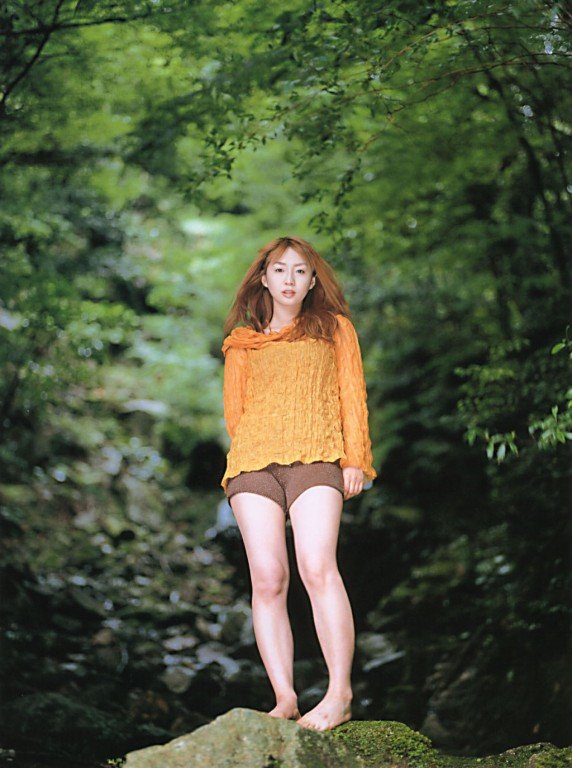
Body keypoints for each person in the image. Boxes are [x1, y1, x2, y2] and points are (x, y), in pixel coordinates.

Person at [220, 235, 377, 731]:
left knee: (317, 567)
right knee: (268, 579)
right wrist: (260, 446)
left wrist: (356, 459)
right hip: (252, 465)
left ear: (312, 282)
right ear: (264, 278)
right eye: (280, 270)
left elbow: (352, 395)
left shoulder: (334, 330)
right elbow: (235, 415)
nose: (290, 279)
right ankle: (285, 697)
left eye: (300, 271)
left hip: (317, 458)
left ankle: (339, 694)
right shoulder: (242, 343)